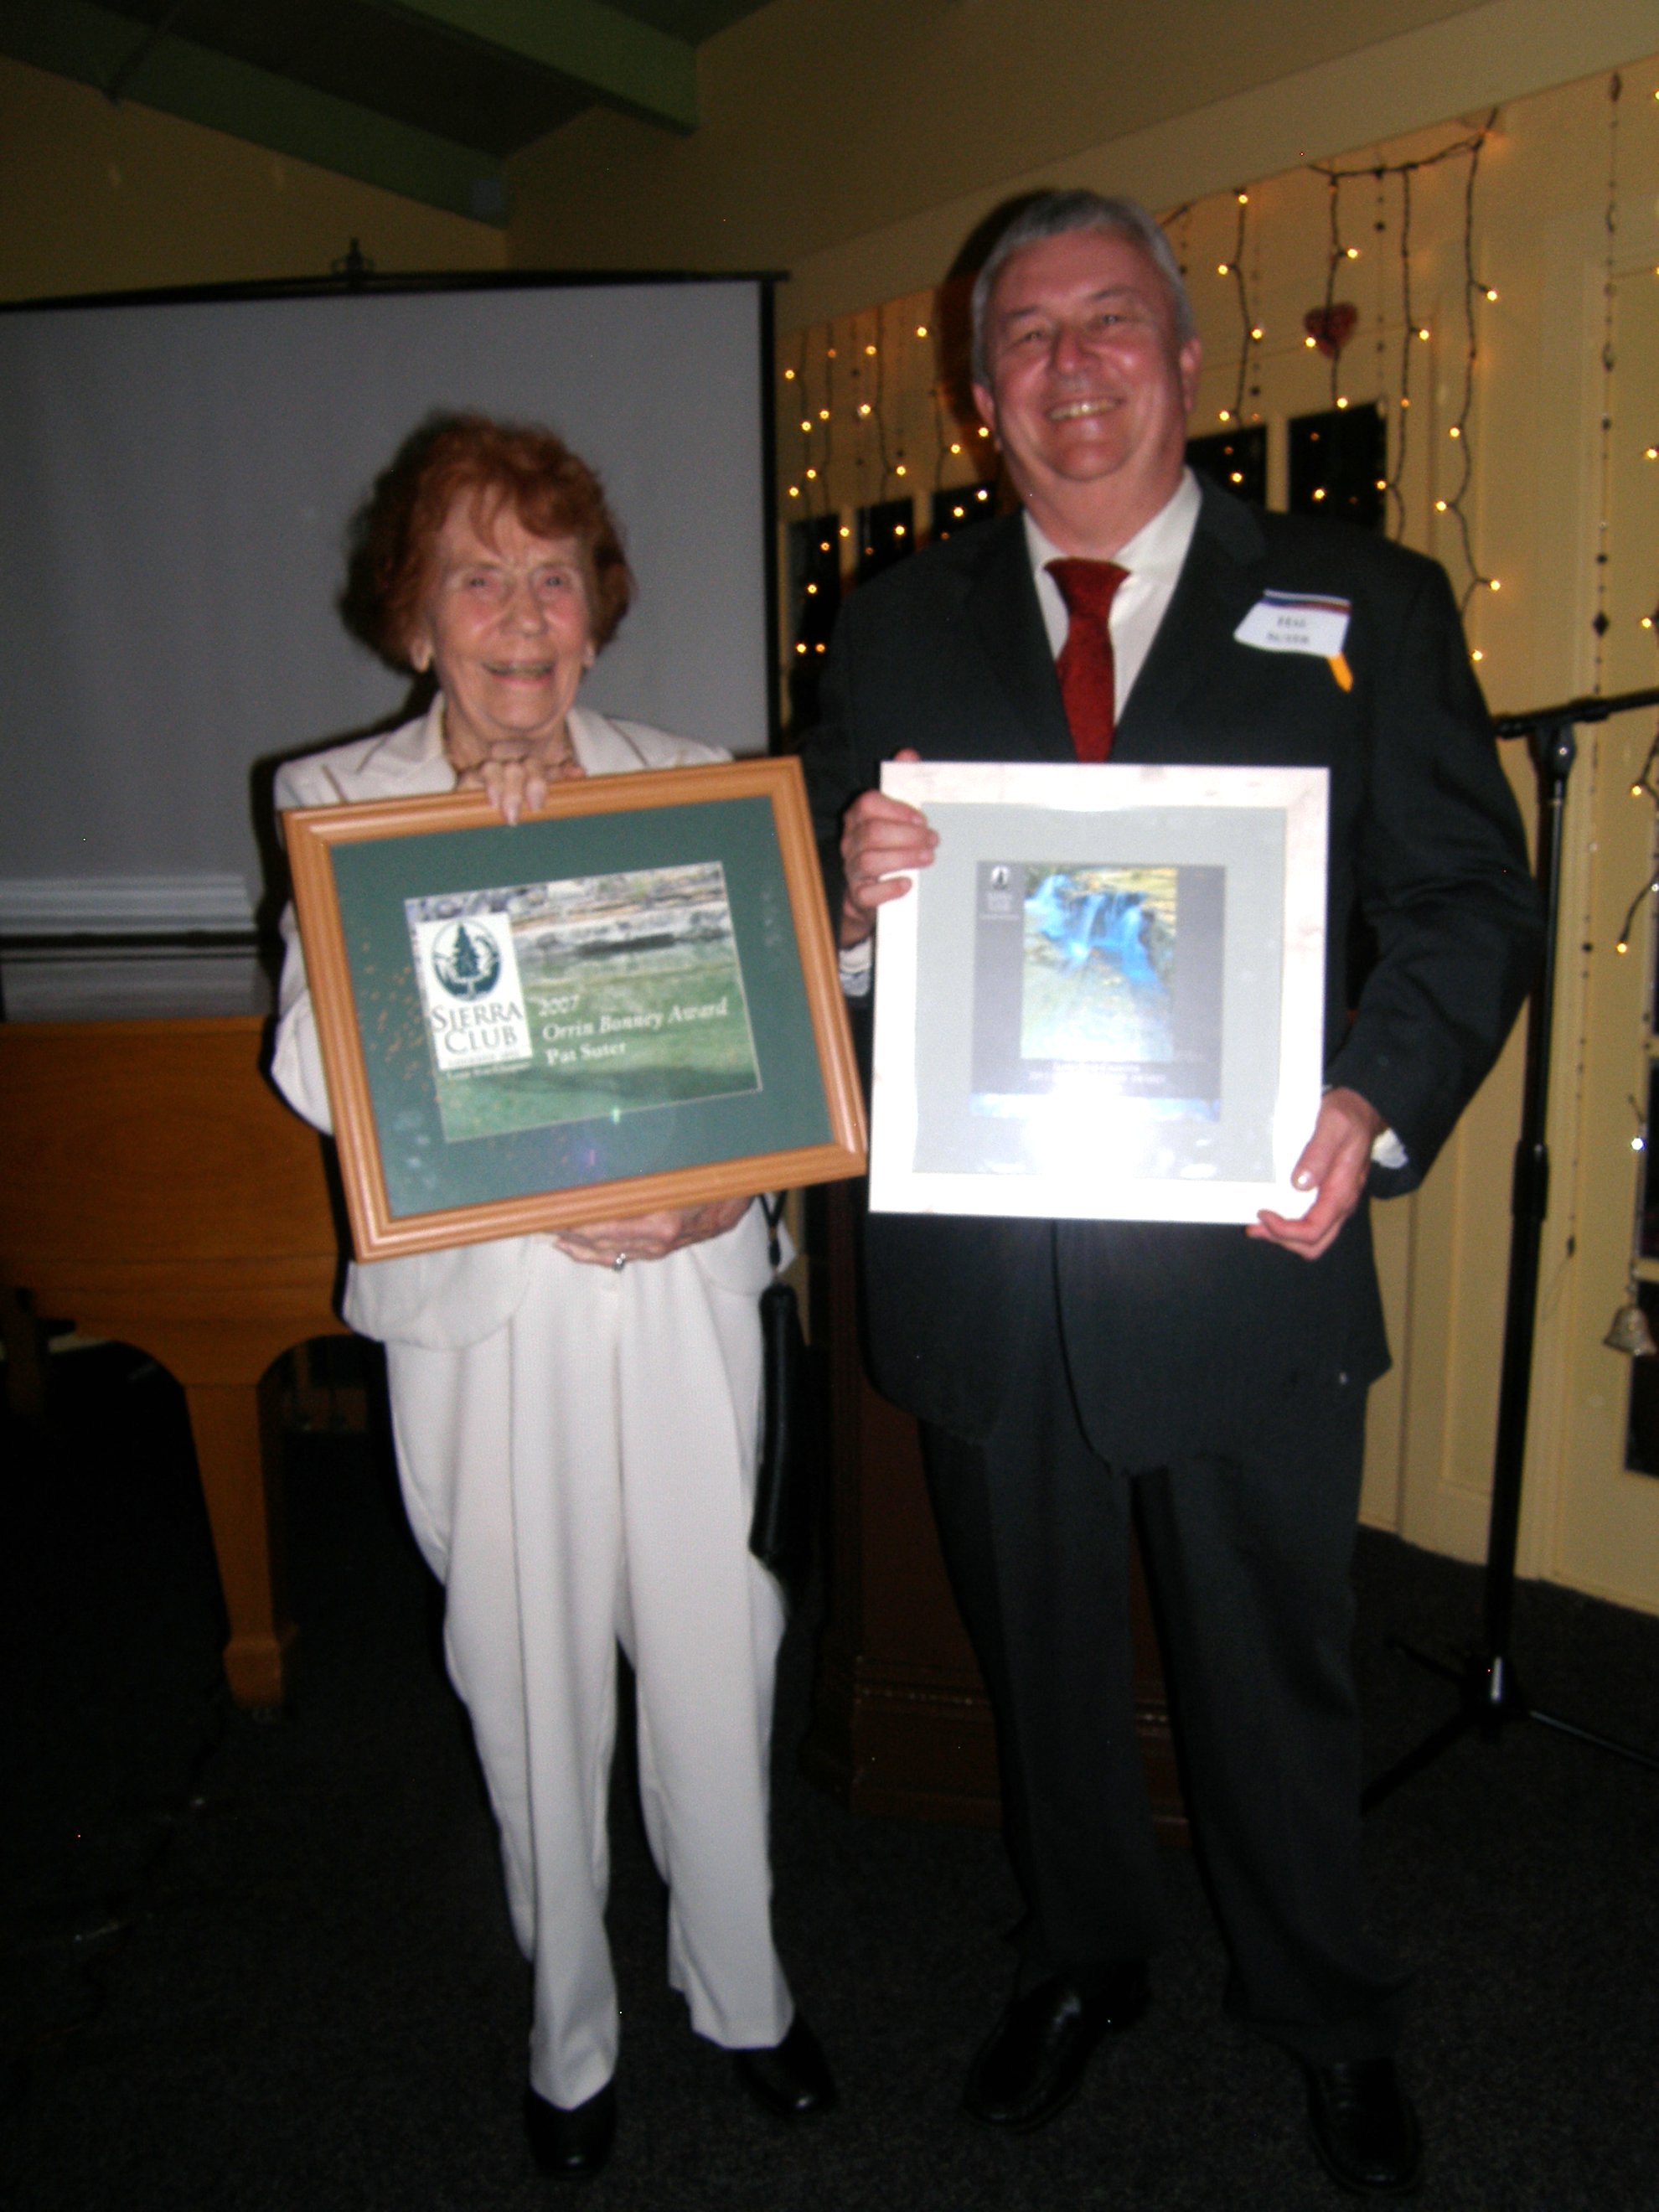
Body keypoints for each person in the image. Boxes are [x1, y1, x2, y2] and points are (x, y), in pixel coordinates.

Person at [806, 194, 1540, 2196]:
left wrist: (1372, 1101)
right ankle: (1083, 1954)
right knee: (1035, 1655)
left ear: (1187, 362)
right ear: (979, 394)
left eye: (1108, 323)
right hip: (989, 1262)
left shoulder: (1362, 602)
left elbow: (1470, 900)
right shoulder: (894, 623)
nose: (1069, 366)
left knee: (1273, 1663)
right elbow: (823, 932)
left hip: (1247, 1249)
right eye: (1026, 336)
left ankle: (1325, 2009)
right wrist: (856, 915)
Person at [272, 415, 834, 2181]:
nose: (523, 615)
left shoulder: (693, 774)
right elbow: (315, 1071)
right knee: (524, 1678)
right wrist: (461, 844)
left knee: (712, 1645)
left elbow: (783, 1045)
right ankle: (571, 2031)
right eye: (478, 577)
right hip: (485, 1320)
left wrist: (734, 1180)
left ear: (598, 608)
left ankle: (741, 1989)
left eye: (555, 575)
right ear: (413, 621)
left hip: (679, 1300)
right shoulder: (338, 802)